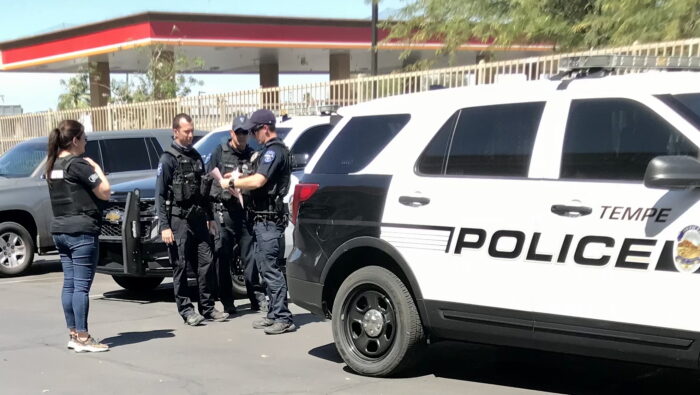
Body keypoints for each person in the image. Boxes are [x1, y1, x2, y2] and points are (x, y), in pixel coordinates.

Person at [221, 109, 295, 335]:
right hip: (262, 219)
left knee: (271, 270)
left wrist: (234, 182)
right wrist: (238, 178)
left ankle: (283, 317)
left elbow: (260, 180)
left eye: (254, 130)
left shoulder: (275, 152)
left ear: (265, 128)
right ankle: (274, 313)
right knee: (264, 267)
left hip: (269, 220)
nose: (252, 135)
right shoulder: (267, 151)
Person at [156, 113, 229, 326]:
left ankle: (207, 307)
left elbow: (203, 190)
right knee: (180, 265)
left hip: (198, 219)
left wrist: (210, 217)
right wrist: (164, 226)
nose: (190, 134)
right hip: (178, 220)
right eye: (186, 131)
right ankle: (186, 310)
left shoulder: (196, 156)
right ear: (175, 132)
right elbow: (160, 194)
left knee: (206, 261)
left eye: (192, 130)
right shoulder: (168, 158)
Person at [46, 120, 111, 352]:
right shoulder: (79, 165)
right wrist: (97, 169)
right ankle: (83, 337)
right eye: (84, 138)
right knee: (81, 287)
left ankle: (73, 333)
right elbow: (104, 192)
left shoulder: (52, 164)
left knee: (70, 284)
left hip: (60, 231)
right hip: (81, 231)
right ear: (74, 140)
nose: (86, 143)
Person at [207, 115, 267, 314]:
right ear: (232, 133)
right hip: (223, 213)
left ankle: (256, 298)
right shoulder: (220, 152)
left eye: (246, 132)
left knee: (250, 258)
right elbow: (208, 179)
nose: (243, 136)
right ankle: (227, 301)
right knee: (223, 259)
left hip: (244, 213)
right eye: (239, 132)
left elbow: (259, 181)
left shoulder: (252, 154)